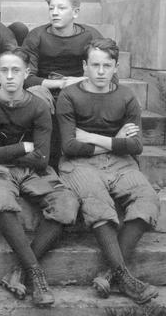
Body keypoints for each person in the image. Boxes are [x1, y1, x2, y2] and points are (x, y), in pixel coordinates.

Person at [0, 49, 79, 307]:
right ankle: (37, 274)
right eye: (4, 71)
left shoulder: (39, 106)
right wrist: (23, 148)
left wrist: (2, 153)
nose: (9, 76)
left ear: (26, 74)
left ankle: (20, 270)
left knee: (66, 204)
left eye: (15, 71)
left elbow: (42, 159)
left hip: (33, 171)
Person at [56, 38, 159, 305]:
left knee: (147, 198)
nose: (101, 71)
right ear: (84, 66)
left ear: (115, 67)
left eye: (107, 65)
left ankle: (109, 274)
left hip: (121, 163)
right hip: (78, 164)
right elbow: (69, 145)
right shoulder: (69, 95)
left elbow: (135, 145)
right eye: (95, 65)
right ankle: (124, 279)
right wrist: (115, 140)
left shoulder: (126, 96)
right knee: (97, 201)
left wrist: (92, 136)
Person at [21, 0, 103, 168]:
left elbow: (109, 75)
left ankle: (82, 159)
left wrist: (79, 81)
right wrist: (60, 83)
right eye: (51, 8)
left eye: (61, 8)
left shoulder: (91, 36)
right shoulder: (37, 36)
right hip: (47, 89)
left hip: (80, 89)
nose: (54, 13)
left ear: (75, 12)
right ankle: (46, 161)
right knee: (37, 96)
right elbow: (26, 77)